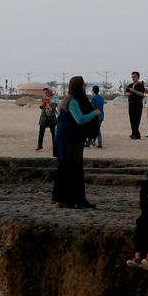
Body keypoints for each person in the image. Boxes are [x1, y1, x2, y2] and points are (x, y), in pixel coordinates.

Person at [52, 76, 102, 209]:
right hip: (70, 141)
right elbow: (79, 119)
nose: (85, 87)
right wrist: (95, 113)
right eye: (83, 85)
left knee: (65, 169)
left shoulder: (66, 99)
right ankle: (76, 200)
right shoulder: (73, 101)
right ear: (78, 86)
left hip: (64, 138)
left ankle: (64, 200)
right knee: (74, 170)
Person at [124, 72, 146, 139]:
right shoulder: (130, 85)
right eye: (132, 77)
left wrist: (134, 91)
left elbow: (142, 94)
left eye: (135, 76)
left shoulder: (140, 85)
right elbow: (125, 94)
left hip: (138, 105)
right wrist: (129, 93)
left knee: (137, 119)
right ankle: (134, 133)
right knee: (132, 119)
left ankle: (136, 134)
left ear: (138, 77)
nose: (133, 78)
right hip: (131, 104)